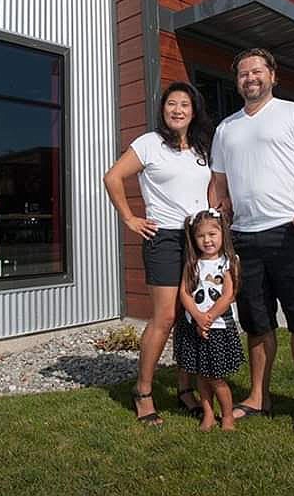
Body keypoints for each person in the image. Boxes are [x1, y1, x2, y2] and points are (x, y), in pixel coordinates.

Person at [207, 48, 294, 432]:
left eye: (257, 71)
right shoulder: (226, 128)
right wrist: (217, 223)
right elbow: (219, 184)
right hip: (244, 238)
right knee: (257, 323)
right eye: (243, 74)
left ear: (273, 75)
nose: (250, 79)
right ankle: (259, 396)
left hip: (292, 234)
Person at [104, 82, 214, 425]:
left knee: (188, 315)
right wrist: (129, 218)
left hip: (197, 241)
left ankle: (184, 389)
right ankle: (144, 391)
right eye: (171, 104)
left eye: (184, 104)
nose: (177, 110)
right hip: (163, 239)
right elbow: (113, 177)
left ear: (193, 111)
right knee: (165, 317)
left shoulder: (201, 149)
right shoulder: (149, 143)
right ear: (163, 110)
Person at [174, 208, 244, 431]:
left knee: (216, 376)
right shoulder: (192, 264)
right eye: (201, 236)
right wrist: (196, 316)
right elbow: (184, 293)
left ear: (222, 233)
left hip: (218, 327)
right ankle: (207, 414)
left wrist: (209, 318)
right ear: (194, 238)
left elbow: (228, 295)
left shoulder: (228, 262)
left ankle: (227, 416)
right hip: (194, 326)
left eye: (212, 234)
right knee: (201, 376)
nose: (207, 240)